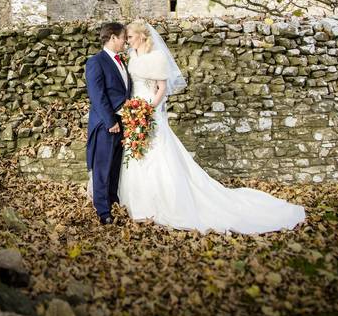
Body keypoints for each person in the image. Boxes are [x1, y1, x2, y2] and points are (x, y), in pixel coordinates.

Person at [118, 20, 306, 233]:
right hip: (134, 109)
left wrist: (148, 110)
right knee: (136, 154)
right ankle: (139, 202)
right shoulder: (132, 57)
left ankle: (166, 203)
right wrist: (133, 110)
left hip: (149, 111)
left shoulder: (157, 57)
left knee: (158, 154)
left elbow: (161, 88)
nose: (127, 41)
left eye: (131, 37)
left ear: (142, 36)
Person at [85, 21, 131, 225]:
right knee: (102, 167)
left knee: (115, 166)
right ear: (112, 37)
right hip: (107, 124)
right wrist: (111, 120)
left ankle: (113, 200)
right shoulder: (96, 61)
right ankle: (103, 211)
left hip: (124, 122)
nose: (125, 42)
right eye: (123, 38)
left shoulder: (122, 62)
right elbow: (97, 95)